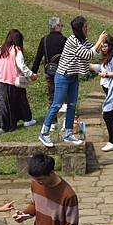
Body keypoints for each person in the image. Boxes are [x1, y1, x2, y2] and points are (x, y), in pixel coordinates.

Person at [38, 16, 104, 148]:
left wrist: (103, 44)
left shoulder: (83, 40)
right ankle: (44, 133)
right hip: (63, 77)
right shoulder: (72, 41)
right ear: (79, 28)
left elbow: (94, 52)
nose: (87, 29)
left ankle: (68, 133)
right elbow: (88, 55)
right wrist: (99, 41)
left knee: (72, 105)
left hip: (73, 77)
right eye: (85, 27)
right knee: (56, 105)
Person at [0, 29, 38, 135]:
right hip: (14, 82)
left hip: (1, 81)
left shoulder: (0, 49)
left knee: (1, 104)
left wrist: (1, 72)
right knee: (22, 101)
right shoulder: (17, 50)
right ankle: (27, 119)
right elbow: (21, 65)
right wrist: (31, 75)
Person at [90, 34, 113, 152]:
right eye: (102, 46)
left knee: (107, 115)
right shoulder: (109, 57)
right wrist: (88, 65)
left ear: (111, 45)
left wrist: (106, 75)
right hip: (112, 90)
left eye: (105, 46)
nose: (103, 48)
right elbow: (103, 68)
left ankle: (112, 142)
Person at [31, 17, 67, 128]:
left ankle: (52, 122)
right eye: (61, 25)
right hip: (62, 71)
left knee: (52, 96)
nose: (62, 27)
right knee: (63, 95)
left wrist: (34, 72)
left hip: (49, 71)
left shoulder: (44, 39)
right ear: (56, 26)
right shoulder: (64, 40)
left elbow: (38, 57)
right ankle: (64, 121)